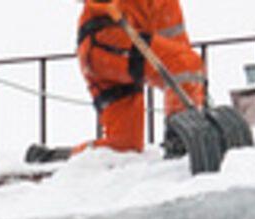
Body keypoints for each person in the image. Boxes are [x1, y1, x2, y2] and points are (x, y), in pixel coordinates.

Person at [26, 0, 209, 163]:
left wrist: (198, 97)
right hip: (105, 40)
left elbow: (178, 57)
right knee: (185, 62)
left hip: (118, 52)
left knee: (124, 146)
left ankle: (55, 158)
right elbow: (181, 62)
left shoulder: (168, 5)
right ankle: (181, 145)